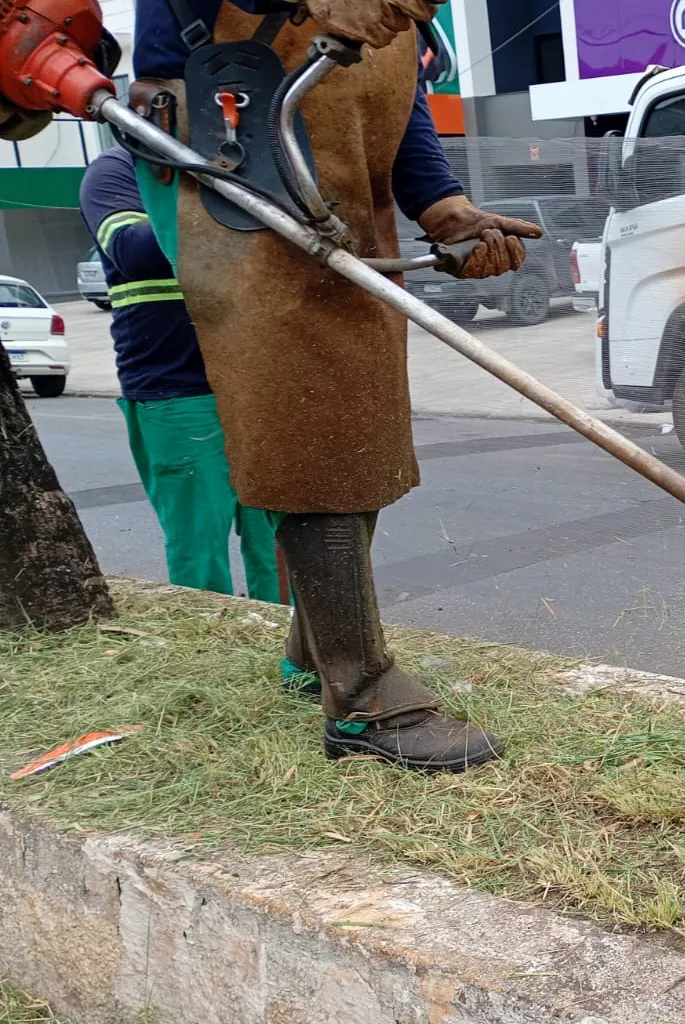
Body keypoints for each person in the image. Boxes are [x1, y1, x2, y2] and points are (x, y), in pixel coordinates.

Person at [131, 0, 542, 771]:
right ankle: (361, 704)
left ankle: (318, 653)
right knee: (307, 428)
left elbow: (400, 108)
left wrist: (444, 207)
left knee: (357, 426)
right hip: (234, 180)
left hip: (349, 205)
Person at [78, 147, 282, 605]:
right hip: (177, 393)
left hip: (259, 387)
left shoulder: (246, 162)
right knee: (199, 555)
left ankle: (289, 654)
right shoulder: (117, 171)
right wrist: (239, 207)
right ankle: (215, 656)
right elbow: (134, 251)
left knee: (277, 551)